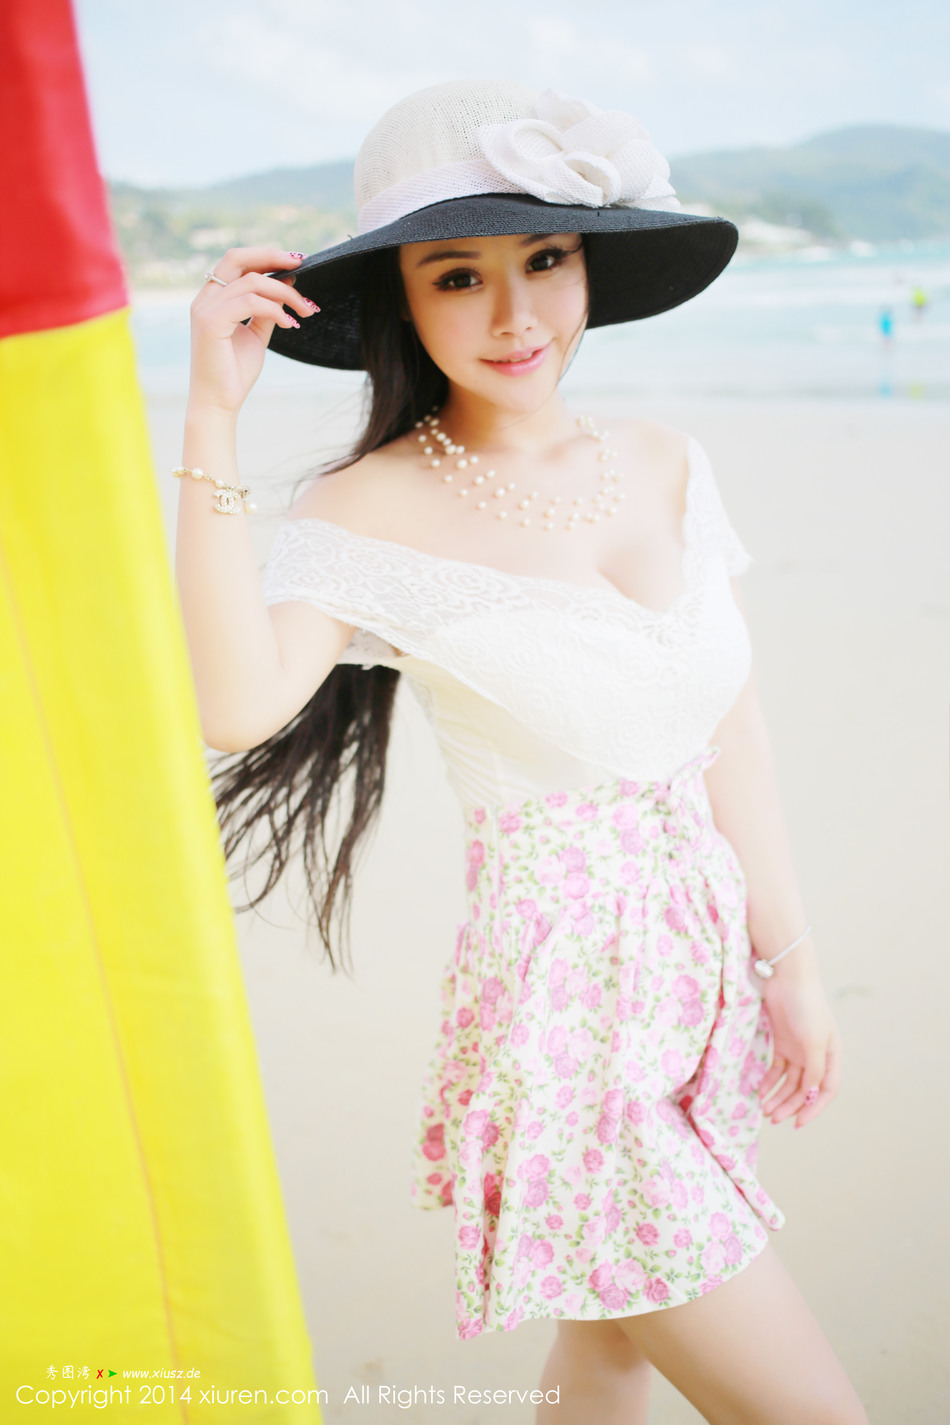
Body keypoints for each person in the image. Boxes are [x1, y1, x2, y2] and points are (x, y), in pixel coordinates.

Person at [174, 80, 868, 1425]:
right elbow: (238, 707)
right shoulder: (367, 508)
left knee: (607, 1363)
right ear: (402, 300)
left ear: (587, 263)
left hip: (694, 992)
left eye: (544, 258)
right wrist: (212, 415)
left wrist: (789, 965)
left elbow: (731, 728)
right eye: (457, 275)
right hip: (567, 1037)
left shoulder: (665, 460)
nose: (514, 315)